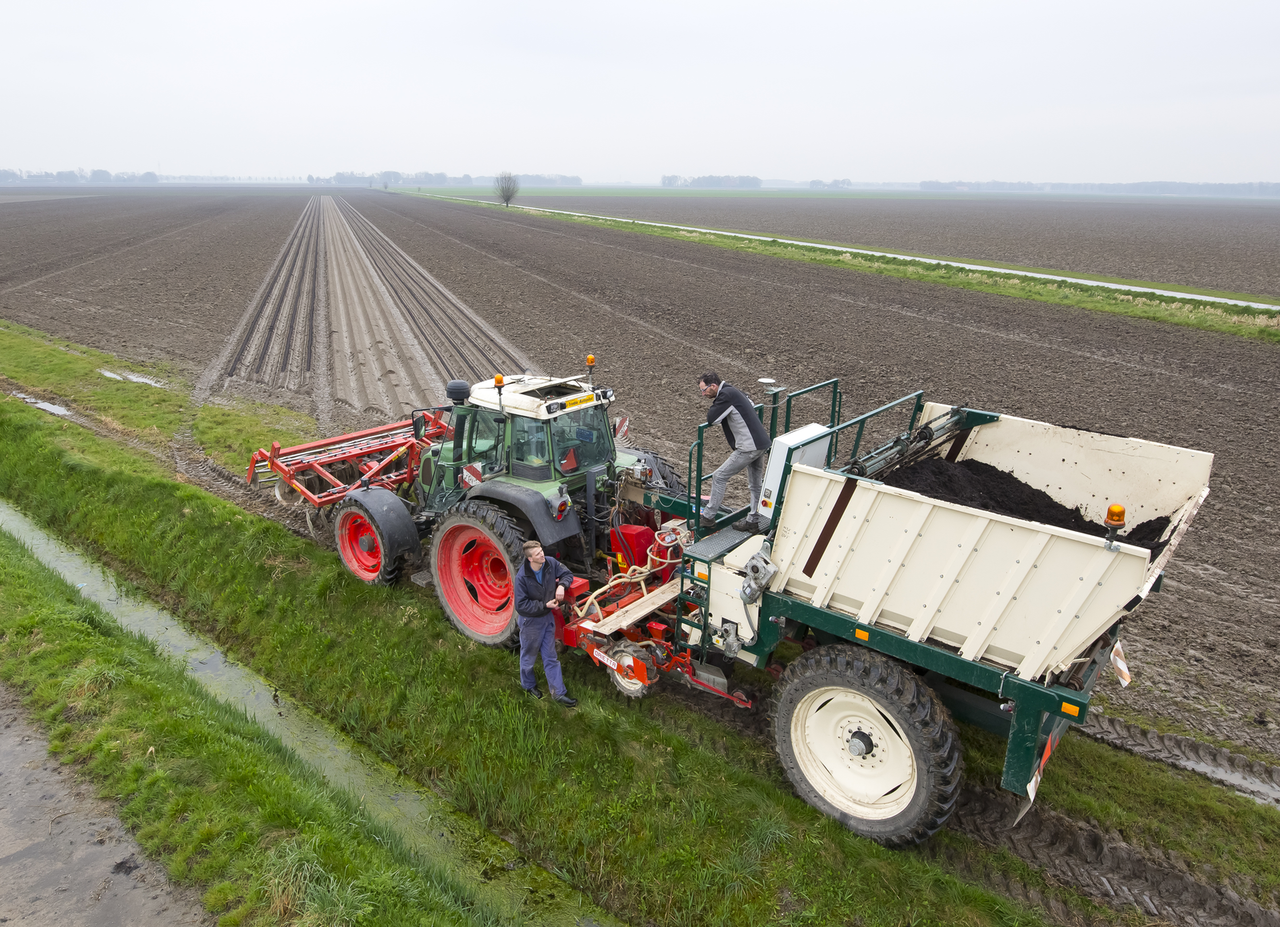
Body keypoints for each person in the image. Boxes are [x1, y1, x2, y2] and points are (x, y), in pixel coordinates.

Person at [697, 371, 771, 533]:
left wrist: (716, 404)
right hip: (761, 444)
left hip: (748, 448)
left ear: (714, 386)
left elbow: (712, 419)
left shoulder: (725, 396)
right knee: (755, 484)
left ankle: (708, 517)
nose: (703, 394)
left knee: (719, 476)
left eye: (705, 390)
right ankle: (753, 520)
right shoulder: (733, 391)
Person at [513, 540, 578, 706]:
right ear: (530, 559)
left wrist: (562, 586)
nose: (542, 554)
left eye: (541, 550)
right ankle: (528, 685)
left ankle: (558, 693)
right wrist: (543, 605)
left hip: (547, 619)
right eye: (537, 554)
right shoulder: (522, 578)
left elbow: (567, 574)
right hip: (531, 622)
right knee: (528, 656)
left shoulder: (550, 563)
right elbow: (521, 606)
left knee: (551, 656)